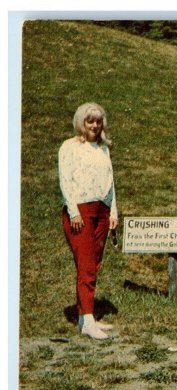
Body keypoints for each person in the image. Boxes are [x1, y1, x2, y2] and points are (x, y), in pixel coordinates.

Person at [59, 102, 119, 340]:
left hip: (102, 211)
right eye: (90, 121)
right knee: (85, 265)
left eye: (98, 121)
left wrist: (113, 211)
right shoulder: (69, 147)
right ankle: (87, 321)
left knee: (94, 265)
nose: (94, 125)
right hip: (80, 212)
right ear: (81, 122)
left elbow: (110, 182)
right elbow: (65, 179)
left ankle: (87, 315)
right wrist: (73, 211)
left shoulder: (103, 148)